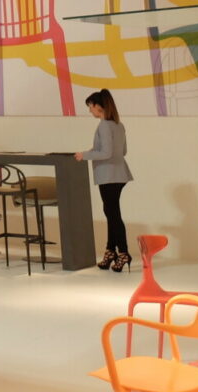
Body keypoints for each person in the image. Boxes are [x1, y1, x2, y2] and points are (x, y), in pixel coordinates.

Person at [75, 88, 133, 271]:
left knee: (113, 214)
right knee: (111, 213)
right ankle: (110, 251)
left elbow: (105, 152)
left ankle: (123, 252)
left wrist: (84, 155)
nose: (90, 110)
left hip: (108, 175)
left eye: (90, 107)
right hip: (119, 173)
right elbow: (122, 152)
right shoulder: (118, 125)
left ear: (97, 106)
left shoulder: (104, 126)